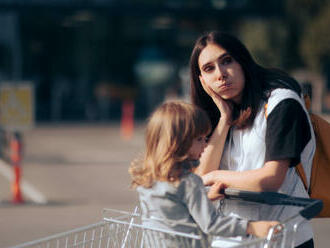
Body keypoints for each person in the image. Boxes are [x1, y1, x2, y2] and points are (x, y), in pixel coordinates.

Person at [190, 31, 315, 248]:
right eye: (209, 69)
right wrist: (224, 120)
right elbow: (200, 178)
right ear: (202, 81)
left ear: (243, 61)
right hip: (231, 240)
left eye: (227, 61)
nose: (220, 74)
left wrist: (216, 176)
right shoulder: (222, 115)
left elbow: (270, 179)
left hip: (283, 239)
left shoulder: (281, 102)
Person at [129, 101, 279, 247]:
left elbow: (170, 210)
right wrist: (252, 227)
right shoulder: (189, 181)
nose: (206, 144)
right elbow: (211, 224)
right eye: (200, 139)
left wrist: (206, 198)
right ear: (179, 143)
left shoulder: (149, 177)